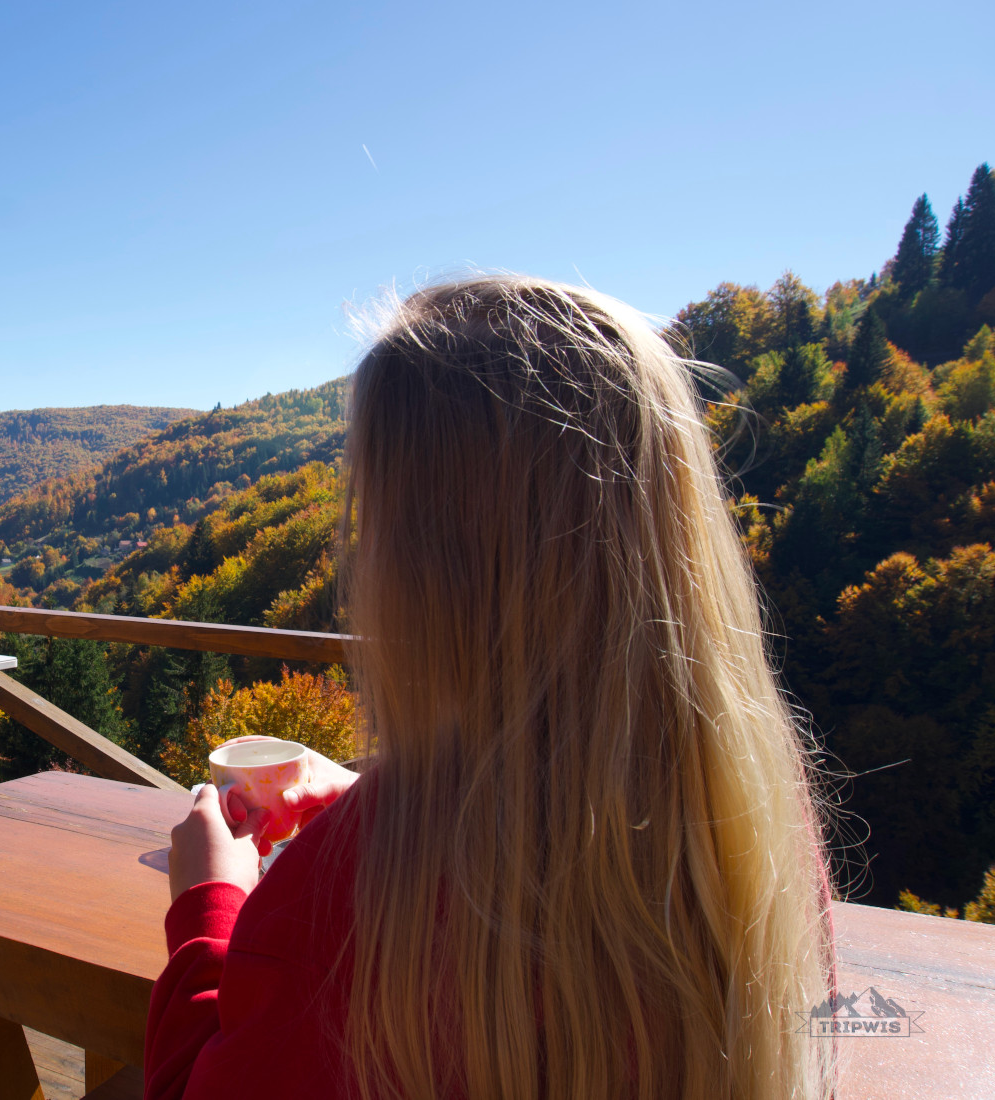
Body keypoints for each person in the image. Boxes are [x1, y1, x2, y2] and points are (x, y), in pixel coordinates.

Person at [145, 276, 836, 1100]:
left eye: (374, 523)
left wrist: (208, 904)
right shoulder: (747, 822)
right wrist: (375, 793)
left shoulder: (339, 904)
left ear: (428, 571)